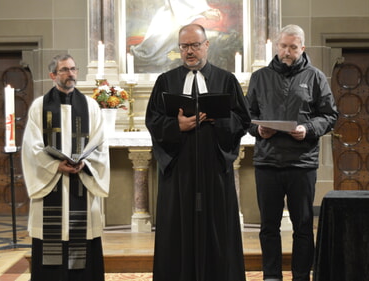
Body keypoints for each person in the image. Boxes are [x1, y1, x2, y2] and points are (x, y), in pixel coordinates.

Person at [145, 23, 251, 281]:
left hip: (214, 167)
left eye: (194, 45)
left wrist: (220, 120)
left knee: (217, 226)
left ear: (206, 45)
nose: (189, 51)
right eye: (184, 46)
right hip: (179, 169)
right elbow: (153, 121)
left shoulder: (226, 79)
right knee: (177, 228)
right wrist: (176, 126)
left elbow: (243, 120)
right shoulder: (166, 81)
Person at [245, 24, 338, 281]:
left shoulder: (316, 77)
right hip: (267, 162)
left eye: (293, 47)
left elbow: (330, 115)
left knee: (304, 227)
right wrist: (259, 130)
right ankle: (271, 276)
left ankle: (300, 276)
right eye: (283, 46)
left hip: (302, 164)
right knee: (269, 227)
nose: (287, 52)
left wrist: (308, 129)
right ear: (277, 46)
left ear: (302, 48)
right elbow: (247, 116)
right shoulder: (260, 77)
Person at [21, 54, 110, 281]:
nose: (70, 74)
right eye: (64, 70)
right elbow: (32, 147)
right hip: (52, 184)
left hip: (82, 180)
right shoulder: (39, 106)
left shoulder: (90, 106)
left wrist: (85, 162)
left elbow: (100, 144)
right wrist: (54, 165)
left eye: (73, 69)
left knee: (83, 236)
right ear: (53, 75)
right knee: (52, 237)